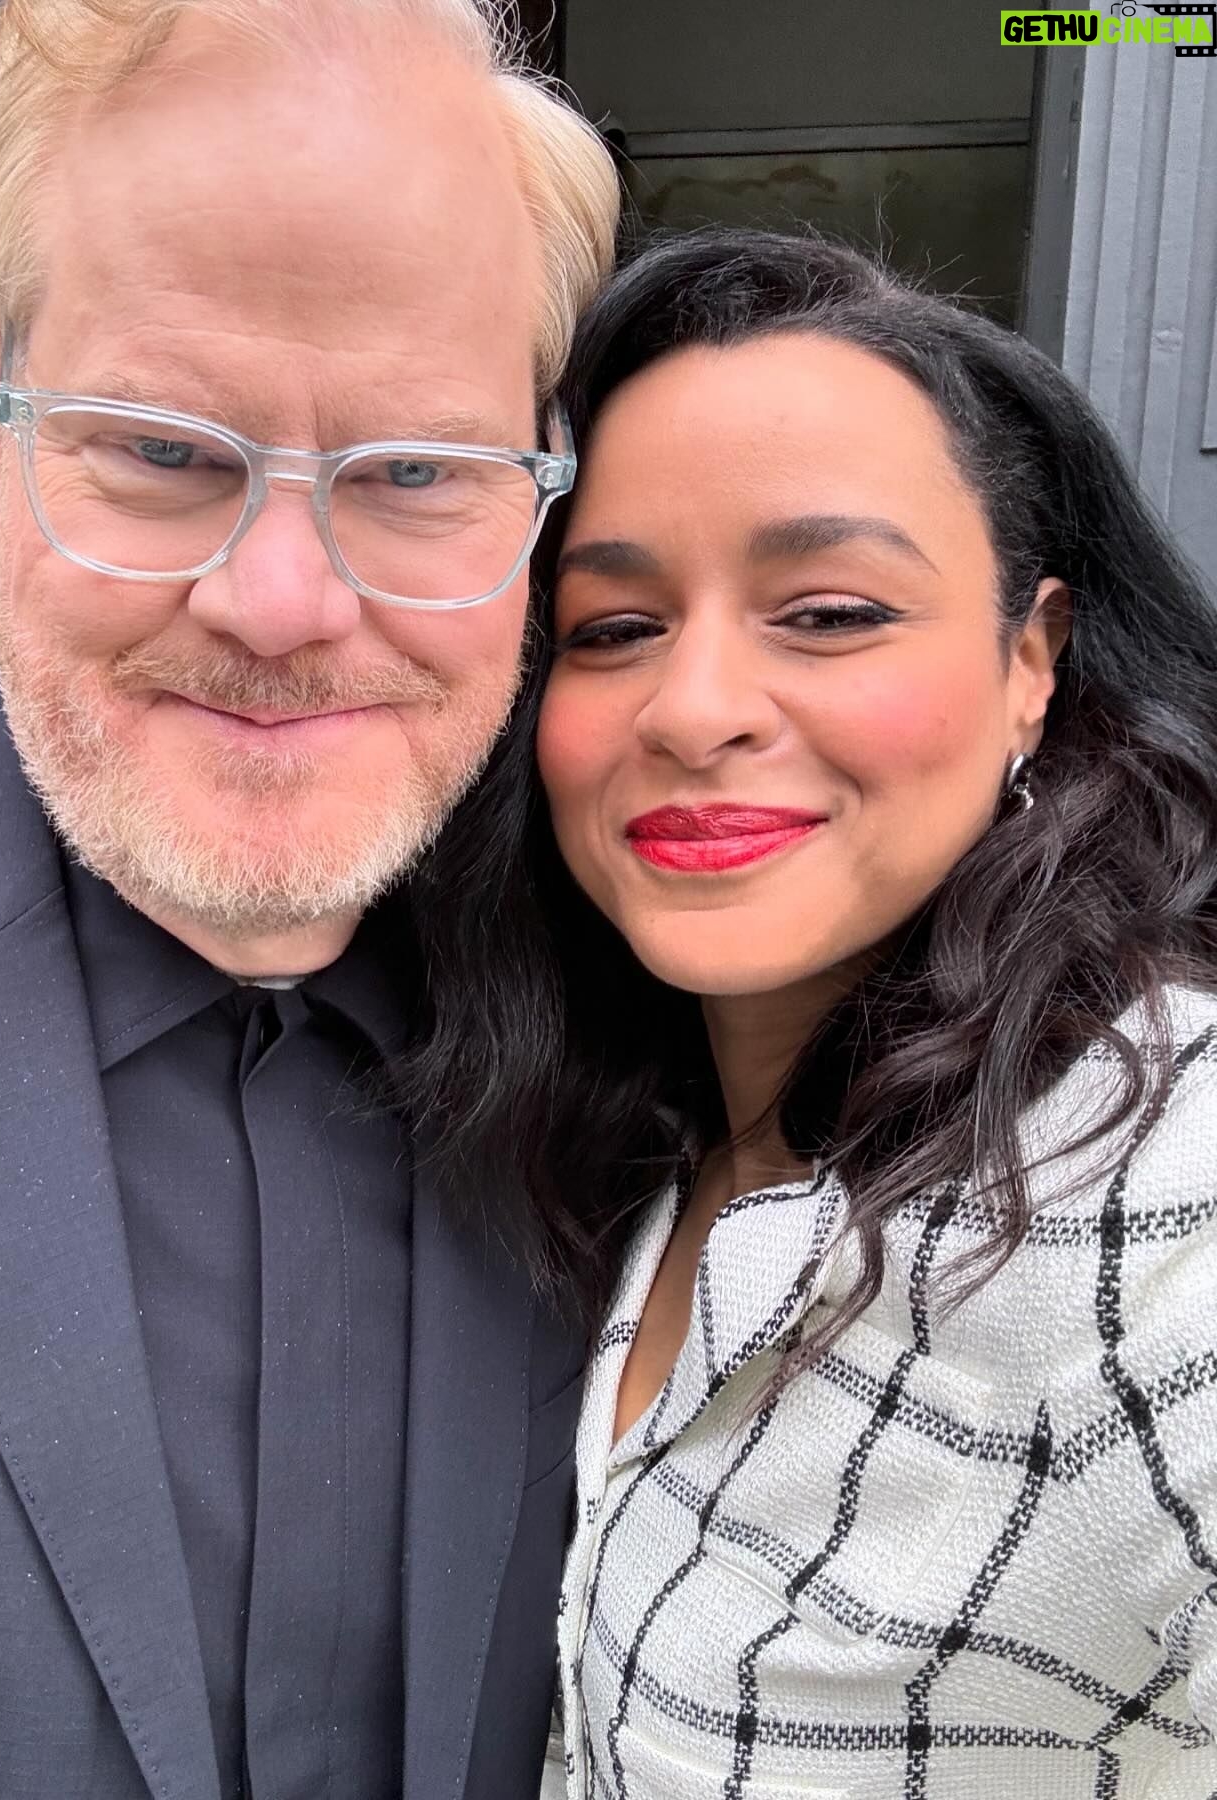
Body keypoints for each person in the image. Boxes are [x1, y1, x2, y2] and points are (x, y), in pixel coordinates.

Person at [0, 3, 618, 1796]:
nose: (283, 605)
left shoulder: (668, 1002)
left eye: (414, 472)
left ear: (535, 499)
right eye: (163, 452)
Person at [397, 229, 1217, 1798]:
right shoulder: (633, 1134)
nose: (696, 708)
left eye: (830, 611)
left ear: (1032, 659)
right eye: (613, 628)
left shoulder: (1154, 1197)